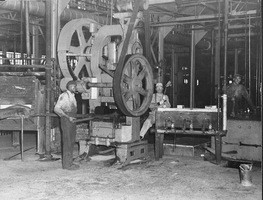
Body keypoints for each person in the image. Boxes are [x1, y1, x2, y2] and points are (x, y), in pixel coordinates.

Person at [54, 80, 79, 170]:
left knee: (71, 141)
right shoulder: (64, 96)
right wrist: (67, 117)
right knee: (67, 141)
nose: (75, 88)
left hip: (72, 119)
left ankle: (69, 163)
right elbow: (56, 109)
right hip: (66, 120)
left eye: (75, 86)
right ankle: (67, 165)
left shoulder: (73, 96)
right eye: (74, 86)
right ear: (69, 87)